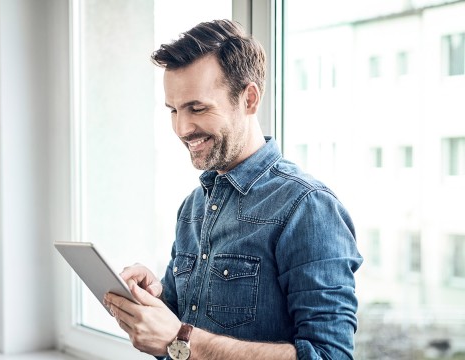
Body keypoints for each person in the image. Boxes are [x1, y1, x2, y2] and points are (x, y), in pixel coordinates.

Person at [103, 19, 362, 360]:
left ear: (249, 98)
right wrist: (157, 300)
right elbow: (184, 327)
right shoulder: (193, 206)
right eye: (173, 111)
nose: (182, 128)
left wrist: (180, 338)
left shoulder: (307, 207)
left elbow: (330, 356)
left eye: (198, 108)